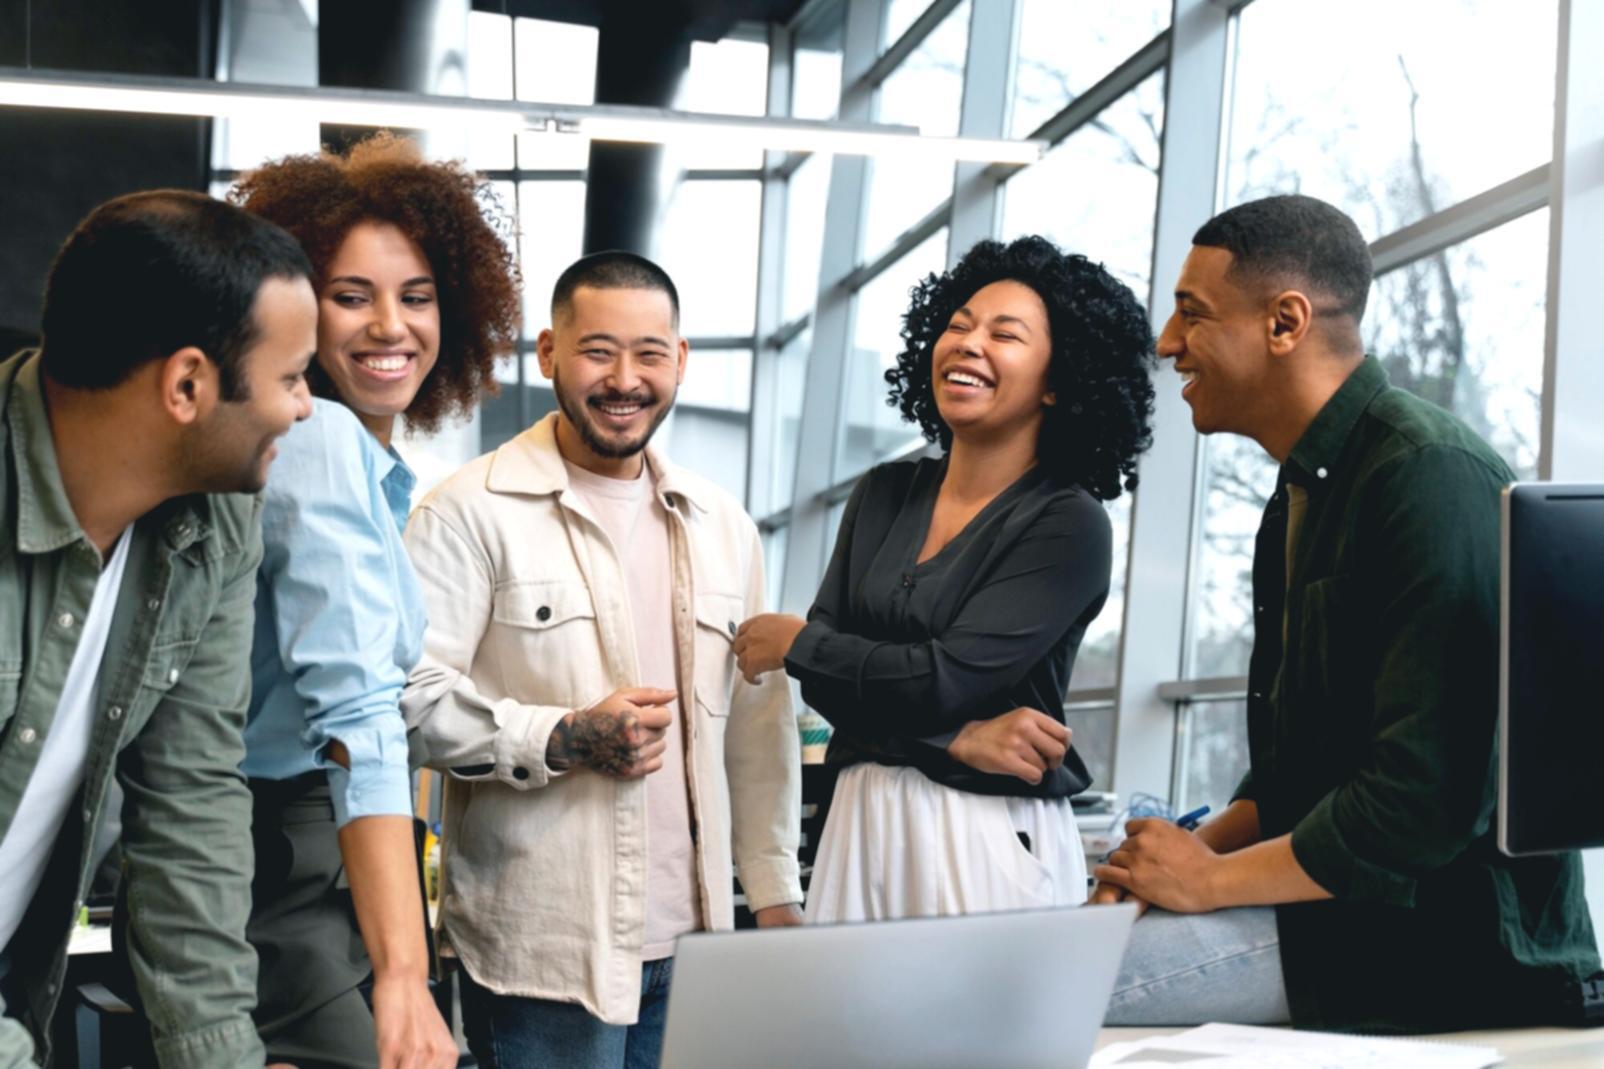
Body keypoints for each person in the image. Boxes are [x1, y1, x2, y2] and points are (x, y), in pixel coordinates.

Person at [1092, 193, 1600, 1033]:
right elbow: (1300, 768)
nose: (1167, 342)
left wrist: (1209, 881)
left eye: (1193, 313)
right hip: (1333, 922)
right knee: (1052, 962)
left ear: (1284, 322)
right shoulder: (1301, 494)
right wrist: (1174, 859)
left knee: (1036, 997)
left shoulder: (1426, 475)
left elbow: (1420, 800)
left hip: (1437, 948)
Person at [400, 250, 803, 1069]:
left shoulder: (724, 524)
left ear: (680, 360)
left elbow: (759, 731)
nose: (625, 378)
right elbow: (407, 703)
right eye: (597, 351)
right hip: (544, 955)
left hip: (699, 946)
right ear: (549, 353)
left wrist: (774, 895)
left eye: (650, 353)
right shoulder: (467, 512)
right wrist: (565, 735)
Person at [734, 235, 1156, 922]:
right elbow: (836, 686)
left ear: (1059, 379)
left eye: (1005, 334)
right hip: (858, 818)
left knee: (976, 1035)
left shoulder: (1068, 523)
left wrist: (798, 643)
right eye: (957, 324)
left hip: (984, 831)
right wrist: (954, 740)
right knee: (843, 1030)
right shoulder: (884, 491)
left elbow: (940, 679)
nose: (968, 342)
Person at [0, 190, 316, 1066]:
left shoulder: (214, 524)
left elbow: (192, 808)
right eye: (291, 377)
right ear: (186, 384)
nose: (304, 408)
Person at [231, 132, 521, 1068]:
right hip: (289, 841)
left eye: (418, 297)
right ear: (290, 309)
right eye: (349, 296)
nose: (389, 326)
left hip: (312, 840)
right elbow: (356, 709)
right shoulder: (316, 442)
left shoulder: (364, 461)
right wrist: (404, 974)